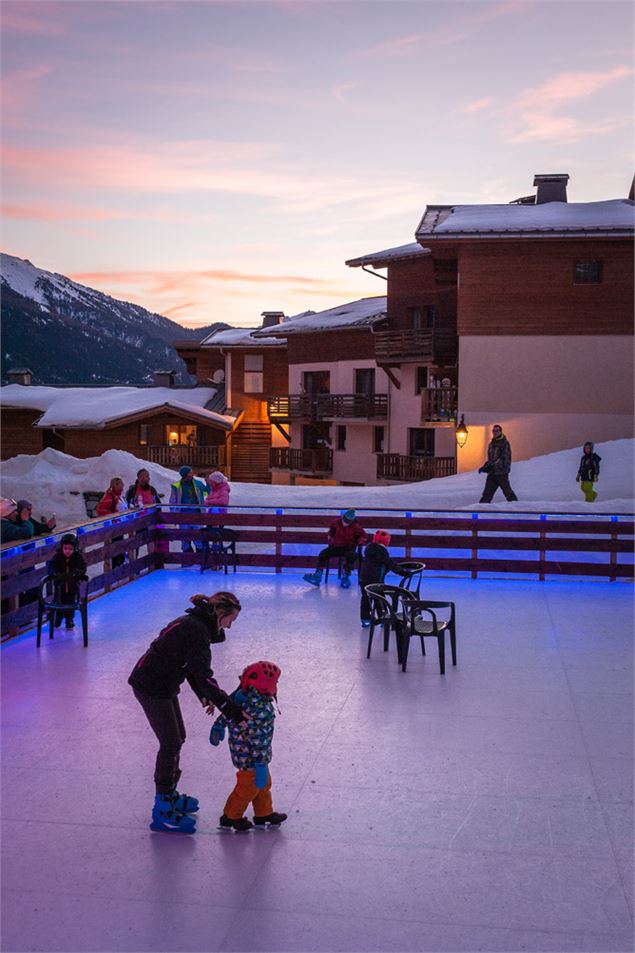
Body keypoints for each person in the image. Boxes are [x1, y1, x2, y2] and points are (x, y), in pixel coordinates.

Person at [128, 591, 247, 834]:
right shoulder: (197, 631)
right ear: (220, 614)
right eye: (230, 621)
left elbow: (193, 670)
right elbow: (204, 675)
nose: (230, 627)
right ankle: (162, 808)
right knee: (170, 742)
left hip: (164, 683)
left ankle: (170, 794)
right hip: (151, 685)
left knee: (178, 738)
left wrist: (202, 695)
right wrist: (232, 710)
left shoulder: (198, 625)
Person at [210, 660, 287, 833]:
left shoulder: (240, 695)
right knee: (246, 789)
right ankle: (230, 817)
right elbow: (259, 739)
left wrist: (218, 725)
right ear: (265, 685)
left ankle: (263, 813)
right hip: (251, 758)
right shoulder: (260, 709)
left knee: (264, 784)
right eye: (275, 683)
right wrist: (260, 763)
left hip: (243, 752)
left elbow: (228, 711)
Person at [304, 509, 367, 589]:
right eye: (344, 521)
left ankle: (345, 577)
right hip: (336, 547)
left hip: (349, 548)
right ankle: (317, 576)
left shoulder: (356, 527)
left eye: (347, 522)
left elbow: (363, 536)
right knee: (323, 554)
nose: (345, 523)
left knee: (351, 556)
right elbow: (331, 531)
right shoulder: (336, 523)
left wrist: (360, 542)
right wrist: (330, 536)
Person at [358, 530, 402, 627]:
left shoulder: (369, 549)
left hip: (363, 579)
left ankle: (365, 619)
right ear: (386, 541)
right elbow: (389, 563)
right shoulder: (382, 552)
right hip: (376, 580)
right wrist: (401, 571)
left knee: (366, 598)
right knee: (380, 598)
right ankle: (384, 618)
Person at [47, 533, 88, 629]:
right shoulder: (58, 557)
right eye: (65, 548)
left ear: (75, 549)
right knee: (58, 600)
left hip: (72, 586)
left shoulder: (77, 557)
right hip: (59, 586)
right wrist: (54, 573)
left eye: (70, 549)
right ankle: (58, 617)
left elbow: (82, 568)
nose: (67, 551)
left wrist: (76, 573)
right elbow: (51, 567)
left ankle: (69, 620)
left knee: (70, 602)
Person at [169, 465, 207, 554]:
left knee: (198, 536)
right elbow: (172, 502)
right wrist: (174, 515)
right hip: (183, 515)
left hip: (196, 515)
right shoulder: (177, 486)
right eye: (190, 472)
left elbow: (206, 492)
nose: (192, 474)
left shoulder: (198, 484)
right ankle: (187, 559)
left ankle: (200, 557)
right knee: (185, 537)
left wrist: (208, 484)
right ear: (185, 475)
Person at [478, 425, 518, 503]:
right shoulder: (491, 444)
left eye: (497, 430)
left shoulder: (504, 443)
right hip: (492, 474)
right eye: (493, 431)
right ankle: (481, 510)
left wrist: (493, 465)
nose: (495, 432)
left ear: (500, 431)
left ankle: (517, 507)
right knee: (487, 494)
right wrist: (485, 466)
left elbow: (505, 458)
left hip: (501, 473)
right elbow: (491, 459)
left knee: (508, 493)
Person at [95, 477, 128, 568]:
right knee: (114, 550)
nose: (123, 485)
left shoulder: (120, 496)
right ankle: (113, 570)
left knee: (120, 548)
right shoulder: (110, 496)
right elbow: (100, 509)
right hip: (113, 528)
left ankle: (119, 568)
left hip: (120, 527)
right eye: (121, 484)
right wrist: (113, 516)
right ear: (115, 485)